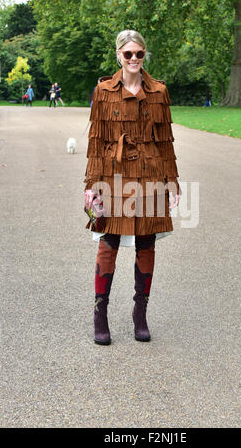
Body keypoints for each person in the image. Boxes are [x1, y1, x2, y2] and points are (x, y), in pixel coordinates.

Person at [84, 29, 181, 345]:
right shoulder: (103, 91)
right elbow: (96, 142)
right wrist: (91, 185)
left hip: (150, 172)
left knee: (146, 241)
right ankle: (101, 314)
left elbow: (165, 141)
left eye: (139, 53)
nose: (135, 59)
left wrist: (173, 182)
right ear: (118, 56)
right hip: (113, 172)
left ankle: (140, 315)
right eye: (128, 54)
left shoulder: (159, 92)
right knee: (108, 240)